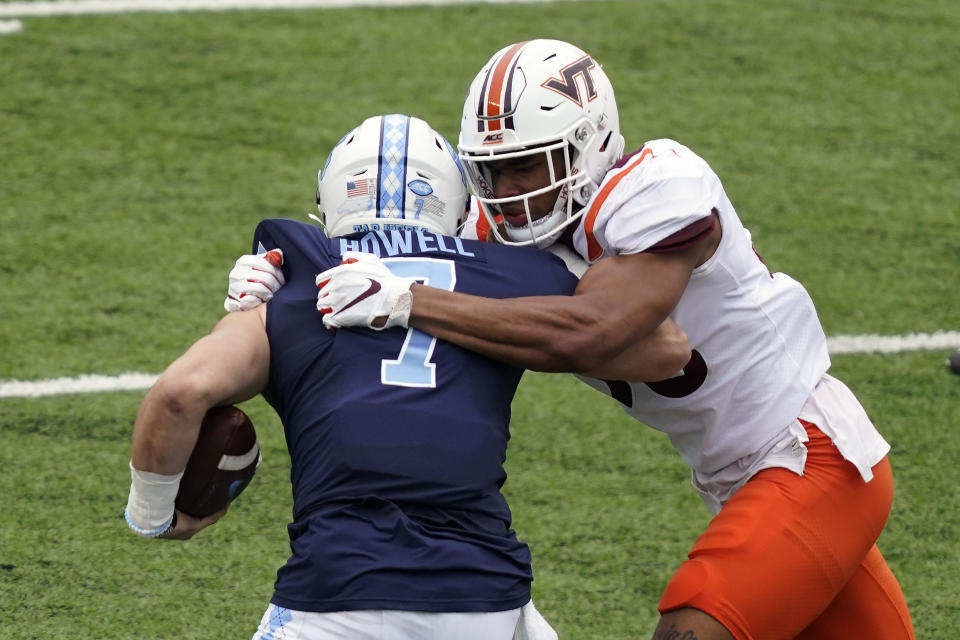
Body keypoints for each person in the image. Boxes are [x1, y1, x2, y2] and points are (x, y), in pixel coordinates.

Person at [299, 41, 917, 640]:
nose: (510, 192)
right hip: (739, 476)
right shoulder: (495, 224)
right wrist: (285, 277)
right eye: (491, 171)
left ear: (588, 145)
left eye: (526, 165)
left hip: (809, 455)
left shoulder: (657, 186)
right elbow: (383, 254)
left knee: (692, 627)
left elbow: (604, 332)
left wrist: (412, 301)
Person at [126, 113, 689, 640]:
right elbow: (667, 352)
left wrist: (154, 517)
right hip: (486, 593)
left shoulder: (295, 273)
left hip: (339, 592)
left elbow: (181, 393)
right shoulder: (513, 272)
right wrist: (551, 285)